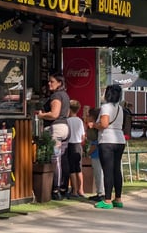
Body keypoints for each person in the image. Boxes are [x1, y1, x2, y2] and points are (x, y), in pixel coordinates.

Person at [37, 72, 70, 200]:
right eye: (49, 81)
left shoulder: (56, 95)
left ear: (59, 83)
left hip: (56, 128)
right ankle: (63, 186)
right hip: (65, 127)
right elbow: (65, 112)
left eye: (52, 82)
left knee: (55, 159)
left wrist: (41, 115)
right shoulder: (65, 95)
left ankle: (55, 189)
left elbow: (55, 114)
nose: (49, 84)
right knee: (62, 159)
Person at [93, 84, 126, 209]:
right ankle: (118, 198)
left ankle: (107, 200)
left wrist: (94, 125)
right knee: (116, 170)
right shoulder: (120, 108)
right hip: (119, 140)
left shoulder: (105, 107)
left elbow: (104, 124)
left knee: (107, 170)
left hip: (107, 140)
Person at [66, 100, 86, 198]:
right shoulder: (80, 121)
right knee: (79, 168)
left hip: (70, 144)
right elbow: (83, 136)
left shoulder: (68, 121)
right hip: (78, 145)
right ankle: (81, 189)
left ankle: (74, 190)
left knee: (72, 169)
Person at [85, 107, 105, 201]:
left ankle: (101, 193)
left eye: (89, 115)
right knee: (100, 174)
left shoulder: (95, 129)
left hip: (96, 155)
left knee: (99, 174)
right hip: (99, 154)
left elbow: (94, 144)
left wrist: (88, 153)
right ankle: (100, 192)